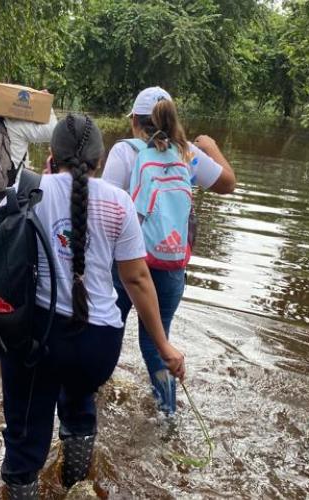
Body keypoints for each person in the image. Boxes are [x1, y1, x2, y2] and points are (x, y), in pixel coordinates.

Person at [0, 114, 186, 498]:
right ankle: (77, 484)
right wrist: (164, 347)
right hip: (98, 345)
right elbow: (137, 280)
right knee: (80, 400)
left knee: (26, 430)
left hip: (39, 337)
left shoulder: (26, 188)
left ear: (51, 154)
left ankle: (24, 485)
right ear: (99, 160)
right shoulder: (120, 203)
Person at [101, 86, 236, 415]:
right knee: (155, 341)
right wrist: (212, 148)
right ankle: (167, 414)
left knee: (107, 329)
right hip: (171, 265)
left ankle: (92, 404)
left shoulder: (125, 152)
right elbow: (228, 183)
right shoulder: (187, 153)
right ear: (172, 118)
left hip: (128, 267)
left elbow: (103, 212)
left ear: (134, 120)